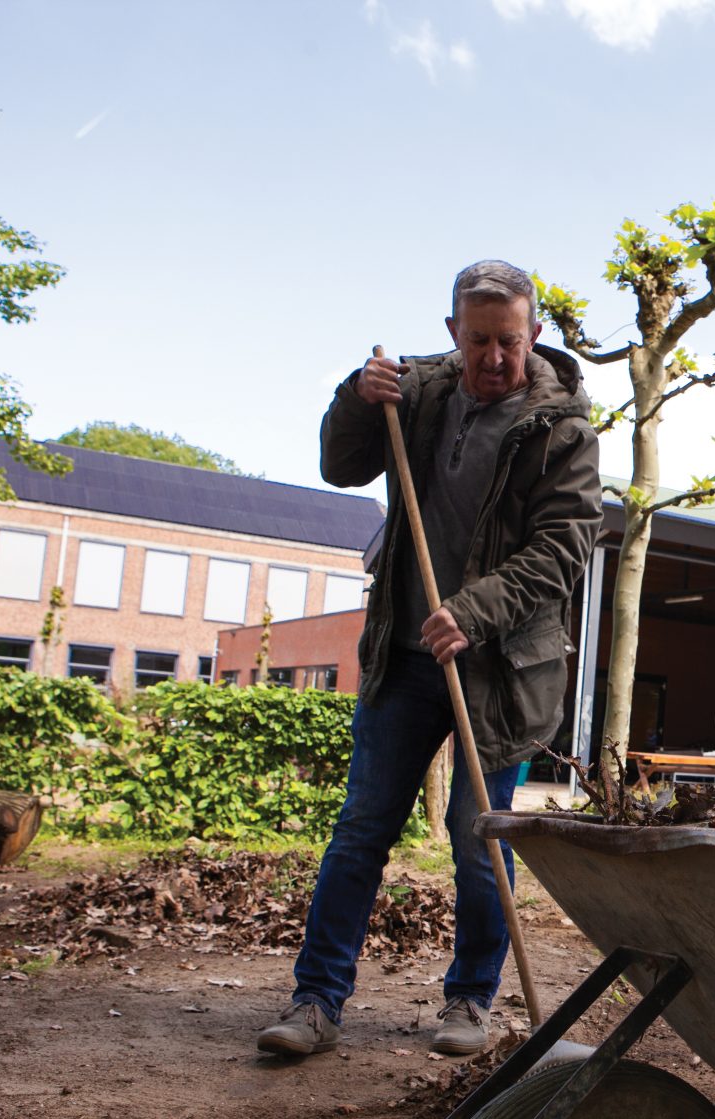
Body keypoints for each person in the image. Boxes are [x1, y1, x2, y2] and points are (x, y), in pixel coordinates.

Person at [258, 260, 602, 1060]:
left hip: (503, 672)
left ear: (534, 334)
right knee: (361, 830)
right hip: (407, 656)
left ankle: (471, 1000)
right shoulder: (413, 393)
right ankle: (317, 1001)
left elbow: (562, 552)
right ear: (453, 333)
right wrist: (356, 395)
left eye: (508, 342)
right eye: (477, 340)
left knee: (481, 841)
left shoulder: (564, 431)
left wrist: (473, 612)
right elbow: (341, 466)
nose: (492, 358)